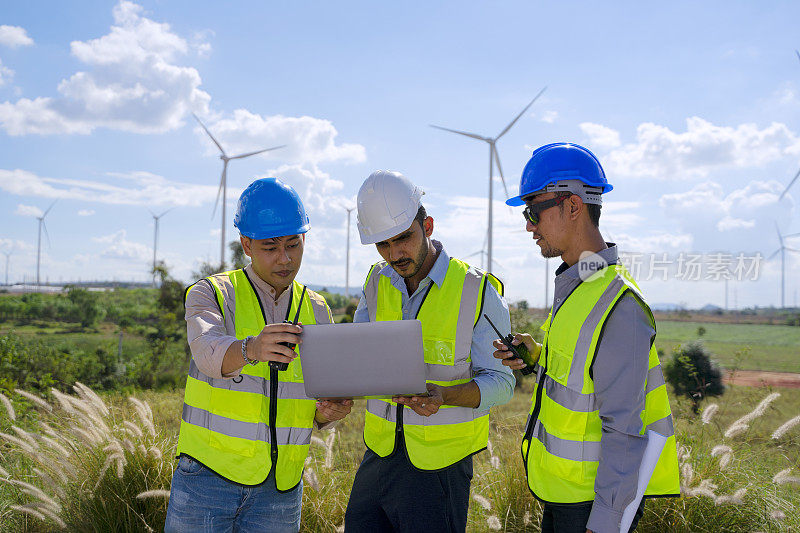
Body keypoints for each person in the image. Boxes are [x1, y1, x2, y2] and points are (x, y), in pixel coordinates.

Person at [494, 143, 680, 533]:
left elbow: (626, 430)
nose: (528, 225)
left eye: (533, 211)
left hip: (591, 509)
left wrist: (607, 522)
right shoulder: (580, 285)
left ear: (573, 206)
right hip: (566, 496)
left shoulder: (619, 304)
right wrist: (536, 357)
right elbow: (584, 373)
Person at [165, 177, 353, 533]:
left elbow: (313, 402)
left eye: (293, 245)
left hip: (281, 487)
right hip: (208, 478)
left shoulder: (317, 308)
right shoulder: (212, 293)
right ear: (246, 244)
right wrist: (251, 348)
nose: (285, 259)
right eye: (270, 247)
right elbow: (207, 354)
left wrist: (326, 414)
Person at [344, 170, 515, 533]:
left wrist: (445, 395)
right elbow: (356, 356)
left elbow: (501, 382)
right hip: (379, 455)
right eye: (383, 245)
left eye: (403, 238)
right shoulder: (376, 282)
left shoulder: (477, 289)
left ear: (429, 225)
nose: (394, 254)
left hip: (440, 469)